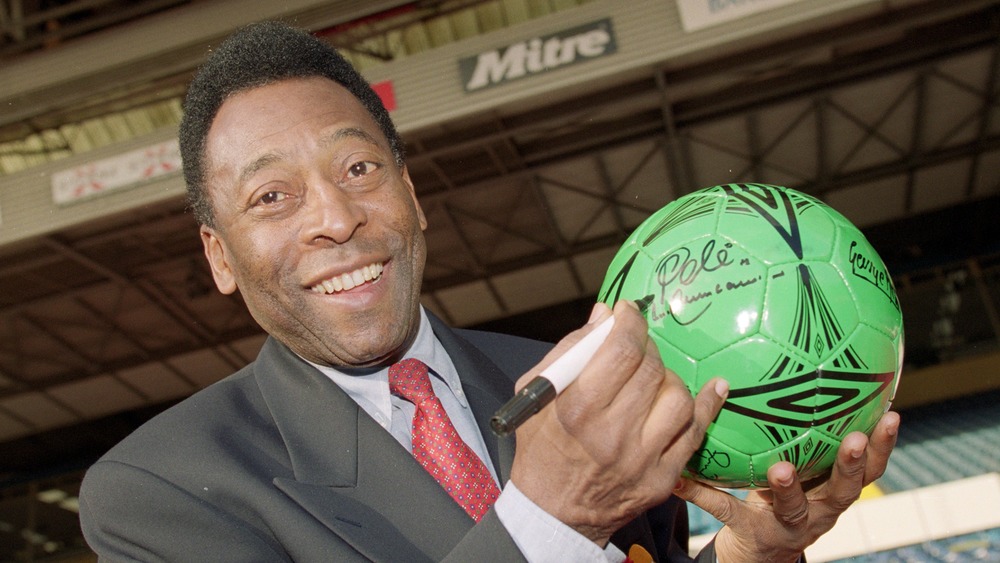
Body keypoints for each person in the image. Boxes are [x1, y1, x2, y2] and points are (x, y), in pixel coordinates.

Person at [78, 21, 899, 562]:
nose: (335, 217)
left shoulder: (574, 381)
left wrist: (749, 555)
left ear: (412, 192)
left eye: (358, 168)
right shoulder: (159, 493)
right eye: (271, 196)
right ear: (220, 257)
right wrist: (551, 517)